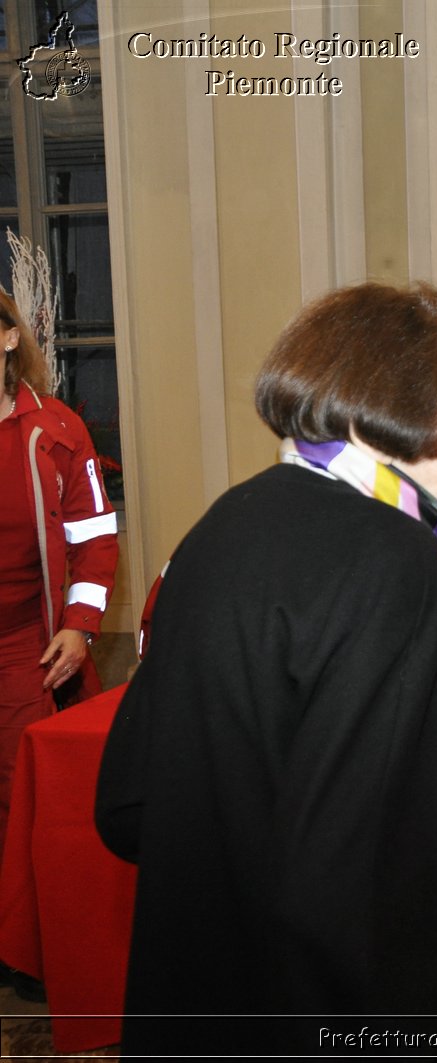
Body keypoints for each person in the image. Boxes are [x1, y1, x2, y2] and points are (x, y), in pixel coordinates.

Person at [94, 283, 437, 1056]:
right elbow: (403, 902)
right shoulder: (405, 575)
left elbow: (128, 802)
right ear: (377, 421)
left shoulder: (225, 524)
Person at [0, 288, 117, 1003]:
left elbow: (96, 541)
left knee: (26, 795)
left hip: (28, 646)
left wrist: (79, 624)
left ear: (9, 338)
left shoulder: (58, 429)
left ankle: (29, 949)